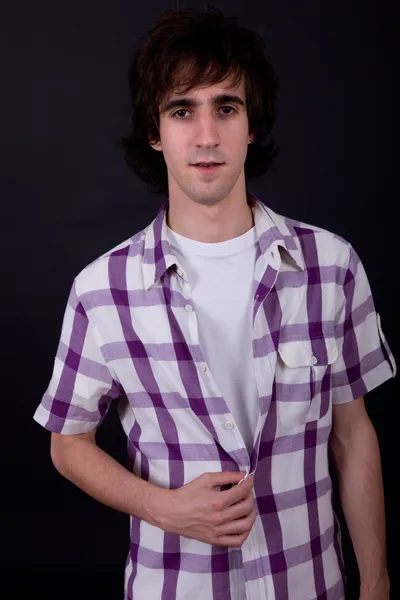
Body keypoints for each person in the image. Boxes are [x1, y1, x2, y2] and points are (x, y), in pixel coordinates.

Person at [33, 7, 397, 600]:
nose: (206, 136)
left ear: (252, 123)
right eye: (182, 110)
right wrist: (165, 509)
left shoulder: (331, 266)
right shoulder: (102, 289)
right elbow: (67, 443)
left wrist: (377, 582)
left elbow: (353, 436)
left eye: (226, 107)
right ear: (156, 130)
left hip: (309, 584)